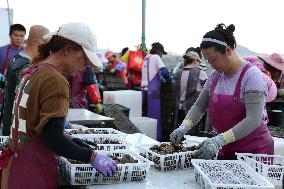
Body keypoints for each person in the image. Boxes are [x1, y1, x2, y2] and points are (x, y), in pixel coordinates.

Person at [0, 22, 116, 189]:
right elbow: (53, 139)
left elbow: (35, 125)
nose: (85, 66)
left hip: (15, 168)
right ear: (68, 50)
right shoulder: (55, 80)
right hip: (34, 174)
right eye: (84, 59)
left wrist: (69, 139)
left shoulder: (32, 70)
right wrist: (91, 156)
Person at [170, 23, 274, 160]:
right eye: (208, 61)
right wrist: (184, 126)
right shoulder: (215, 76)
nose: (211, 65)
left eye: (213, 59)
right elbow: (199, 106)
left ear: (228, 51)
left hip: (253, 153)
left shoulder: (251, 76)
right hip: (227, 149)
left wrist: (219, 140)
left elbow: (254, 119)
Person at [1, 25, 50, 136]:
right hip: (18, 132)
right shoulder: (25, 67)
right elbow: (29, 104)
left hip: (11, 123)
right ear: (40, 43)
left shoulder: (16, 59)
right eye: (47, 43)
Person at [141, 42, 173, 140]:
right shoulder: (156, 57)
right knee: (153, 117)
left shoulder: (146, 58)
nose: (162, 55)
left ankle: (145, 137)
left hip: (143, 91)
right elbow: (164, 71)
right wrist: (169, 80)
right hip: (152, 91)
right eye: (162, 53)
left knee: (145, 116)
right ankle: (154, 138)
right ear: (159, 52)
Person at [174, 51, 207, 134]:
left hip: (179, 108)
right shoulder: (200, 73)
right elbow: (209, 86)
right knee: (191, 135)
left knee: (179, 133)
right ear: (194, 61)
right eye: (198, 61)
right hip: (192, 110)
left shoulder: (178, 74)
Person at [0, 24, 26, 108]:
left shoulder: (27, 53)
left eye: (21, 36)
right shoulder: (2, 51)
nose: (19, 38)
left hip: (19, 95)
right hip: (2, 93)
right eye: (16, 35)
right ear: (10, 36)